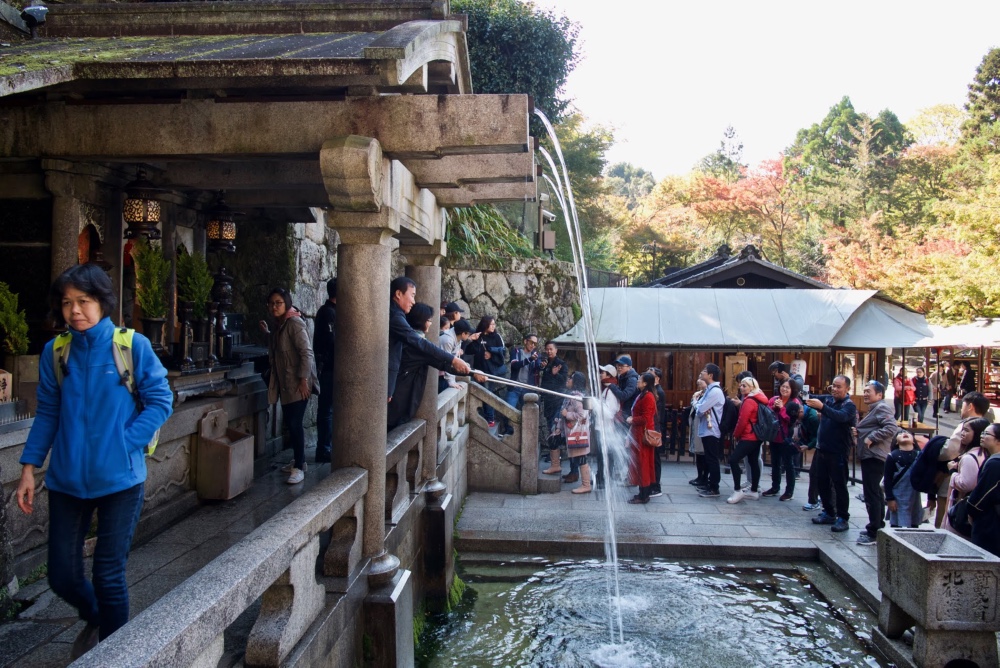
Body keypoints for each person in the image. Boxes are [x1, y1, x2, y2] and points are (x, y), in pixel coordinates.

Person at [16, 264, 173, 657]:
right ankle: (98, 618)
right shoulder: (57, 352)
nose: (75, 311)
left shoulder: (130, 345)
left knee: (108, 574)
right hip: (68, 481)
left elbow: (160, 400)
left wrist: (126, 443)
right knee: (62, 576)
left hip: (121, 480)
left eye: (83, 301)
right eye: (67, 303)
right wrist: (28, 469)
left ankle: (116, 657)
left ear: (102, 302)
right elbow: (48, 413)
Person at [261, 287, 318, 484]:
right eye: (271, 303)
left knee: (295, 424)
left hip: (297, 383)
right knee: (291, 423)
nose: (274, 307)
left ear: (286, 303)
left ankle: (300, 465)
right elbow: (280, 346)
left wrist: (304, 380)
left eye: (278, 303)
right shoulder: (280, 325)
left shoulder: (294, 323)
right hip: (285, 383)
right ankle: (298, 460)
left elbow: (306, 353)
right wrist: (268, 333)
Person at [388, 276, 470, 407]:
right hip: (396, 395)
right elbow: (421, 344)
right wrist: (454, 360)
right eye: (412, 295)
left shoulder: (394, 314)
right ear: (398, 294)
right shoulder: (395, 316)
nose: (413, 301)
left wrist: (469, 370)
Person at [805, 375, 858, 533]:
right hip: (822, 449)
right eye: (833, 386)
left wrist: (822, 408)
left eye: (839, 387)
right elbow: (809, 398)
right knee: (822, 482)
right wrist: (801, 391)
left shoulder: (849, 406)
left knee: (839, 484)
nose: (835, 389)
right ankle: (829, 512)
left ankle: (843, 517)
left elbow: (840, 417)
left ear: (847, 388)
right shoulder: (828, 399)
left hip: (838, 451)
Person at [854, 381, 898, 546]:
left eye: (869, 391)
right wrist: (860, 432)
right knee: (874, 493)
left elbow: (891, 427)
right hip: (870, 455)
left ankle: (874, 531)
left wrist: (872, 437)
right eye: (864, 391)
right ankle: (876, 526)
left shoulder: (881, 408)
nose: (866, 394)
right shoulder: (874, 408)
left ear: (879, 395)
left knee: (872, 493)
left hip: (875, 456)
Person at [387, 303, 441, 430]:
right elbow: (440, 360)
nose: (431, 323)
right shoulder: (416, 344)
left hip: (397, 395)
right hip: (399, 398)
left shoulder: (410, 339)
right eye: (429, 320)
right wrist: (467, 370)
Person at [942, 418, 991, 536]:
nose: (962, 434)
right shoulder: (985, 453)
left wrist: (953, 472)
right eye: (962, 430)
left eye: (966, 430)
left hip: (962, 509)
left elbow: (966, 484)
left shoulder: (970, 458)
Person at [727, 377, 768, 504]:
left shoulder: (749, 400)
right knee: (753, 461)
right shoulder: (758, 398)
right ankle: (754, 490)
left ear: (752, 387)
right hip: (757, 436)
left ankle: (737, 490)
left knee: (733, 460)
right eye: (741, 385)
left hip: (748, 436)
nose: (741, 387)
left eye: (745, 386)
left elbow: (742, 420)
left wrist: (736, 434)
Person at [552, 371, 592, 494]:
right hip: (571, 431)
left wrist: (567, 414)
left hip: (578, 433)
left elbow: (582, 415)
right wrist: (559, 425)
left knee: (581, 458)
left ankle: (586, 485)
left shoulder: (578, 398)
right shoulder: (573, 396)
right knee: (553, 441)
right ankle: (555, 465)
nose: (568, 380)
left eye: (571, 378)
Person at [465, 315, 507, 429]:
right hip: (478, 369)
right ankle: (481, 416)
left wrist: (491, 353)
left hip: (490, 370)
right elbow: (469, 350)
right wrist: (472, 340)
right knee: (480, 392)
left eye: (494, 324)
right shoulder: (477, 335)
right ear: (485, 324)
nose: (493, 326)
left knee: (488, 392)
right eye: (491, 324)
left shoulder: (497, 337)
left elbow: (503, 353)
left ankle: (490, 418)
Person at [763, 378, 801, 501]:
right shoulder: (774, 399)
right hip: (774, 436)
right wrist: (773, 408)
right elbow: (767, 415)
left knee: (788, 464)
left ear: (792, 390)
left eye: (787, 387)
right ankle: (775, 487)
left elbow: (792, 421)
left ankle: (789, 491)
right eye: (783, 386)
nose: (784, 389)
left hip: (787, 438)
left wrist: (782, 409)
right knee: (775, 463)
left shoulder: (794, 402)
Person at [966, 423, 1000, 556]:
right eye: (982, 433)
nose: (982, 436)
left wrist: (971, 509)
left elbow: (982, 495)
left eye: (987, 434)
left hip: (990, 523)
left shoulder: (995, 464)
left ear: (998, 440)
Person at [313, 277, 337, 464]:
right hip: (328, 368)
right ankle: (324, 449)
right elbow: (331, 341)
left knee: (329, 410)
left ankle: (327, 447)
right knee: (326, 411)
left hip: (332, 367)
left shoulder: (331, 311)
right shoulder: (328, 313)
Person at [694, 364, 726, 498]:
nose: (701, 373)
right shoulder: (710, 390)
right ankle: (710, 484)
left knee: (712, 459)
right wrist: (699, 405)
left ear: (711, 375)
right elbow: (701, 408)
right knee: (709, 458)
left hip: (712, 430)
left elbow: (700, 409)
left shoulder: (715, 391)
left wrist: (696, 404)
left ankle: (714, 487)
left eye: (704, 371)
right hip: (707, 429)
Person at [626, 372, 658, 504]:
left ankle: (644, 494)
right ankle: (642, 492)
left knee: (643, 463)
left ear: (645, 383)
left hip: (642, 435)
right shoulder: (643, 395)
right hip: (638, 433)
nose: (637, 381)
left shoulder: (648, 397)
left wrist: (632, 419)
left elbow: (646, 418)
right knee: (640, 463)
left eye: (640, 379)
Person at [884, 431, 924, 528]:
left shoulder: (920, 455)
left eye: (907, 433)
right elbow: (887, 479)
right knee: (897, 524)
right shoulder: (892, 456)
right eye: (900, 433)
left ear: (913, 441)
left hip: (914, 497)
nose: (904, 434)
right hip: (898, 497)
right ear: (896, 442)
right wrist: (890, 499)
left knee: (913, 523)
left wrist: (931, 497)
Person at [788, 401, 822, 510]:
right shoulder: (806, 416)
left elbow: (818, 436)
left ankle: (814, 501)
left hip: (823, 447)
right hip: (820, 446)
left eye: (797, 417)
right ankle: (819, 499)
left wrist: (808, 446)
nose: (797, 420)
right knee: (818, 474)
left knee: (816, 473)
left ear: (801, 411)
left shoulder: (812, 417)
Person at [594, 364, 621, 490]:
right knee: (601, 454)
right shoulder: (606, 389)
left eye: (603, 373)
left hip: (606, 428)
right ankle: (601, 477)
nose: (600, 375)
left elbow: (611, 412)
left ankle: (604, 479)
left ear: (609, 375)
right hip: (602, 427)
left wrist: (596, 407)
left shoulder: (611, 390)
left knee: (605, 455)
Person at [539, 341, 568, 433]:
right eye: (547, 349)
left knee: (555, 423)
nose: (549, 351)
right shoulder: (545, 362)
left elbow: (564, 380)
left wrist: (555, 374)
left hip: (557, 398)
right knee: (548, 421)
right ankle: (552, 444)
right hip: (547, 397)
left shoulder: (561, 364)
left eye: (551, 349)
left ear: (556, 350)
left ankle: (555, 444)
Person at [507, 333, 541, 410]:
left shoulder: (535, 355)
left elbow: (538, 367)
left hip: (527, 389)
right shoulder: (516, 351)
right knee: (508, 411)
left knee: (529, 414)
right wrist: (529, 359)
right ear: (525, 341)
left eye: (535, 344)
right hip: (514, 387)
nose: (533, 345)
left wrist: (542, 365)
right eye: (531, 342)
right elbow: (514, 365)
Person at [439, 318, 474, 392]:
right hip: (439, 374)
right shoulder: (448, 340)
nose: (469, 336)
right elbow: (447, 361)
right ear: (463, 333)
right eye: (468, 334)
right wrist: (451, 382)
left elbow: (454, 358)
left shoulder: (458, 338)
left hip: (444, 372)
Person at [647, 366, 667, 498]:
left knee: (655, 459)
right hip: (653, 427)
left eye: (650, 375)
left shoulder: (658, 392)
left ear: (657, 378)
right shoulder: (652, 391)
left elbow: (656, 414)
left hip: (655, 428)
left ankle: (656, 486)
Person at [688, 379, 708, 488]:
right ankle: (699, 475)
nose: (699, 381)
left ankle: (704, 477)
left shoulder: (709, 394)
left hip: (703, 425)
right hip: (696, 425)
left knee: (703, 453)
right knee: (698, 453)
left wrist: (695, 401)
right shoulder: (699, 394)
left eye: (702, 379)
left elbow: (700, 408)